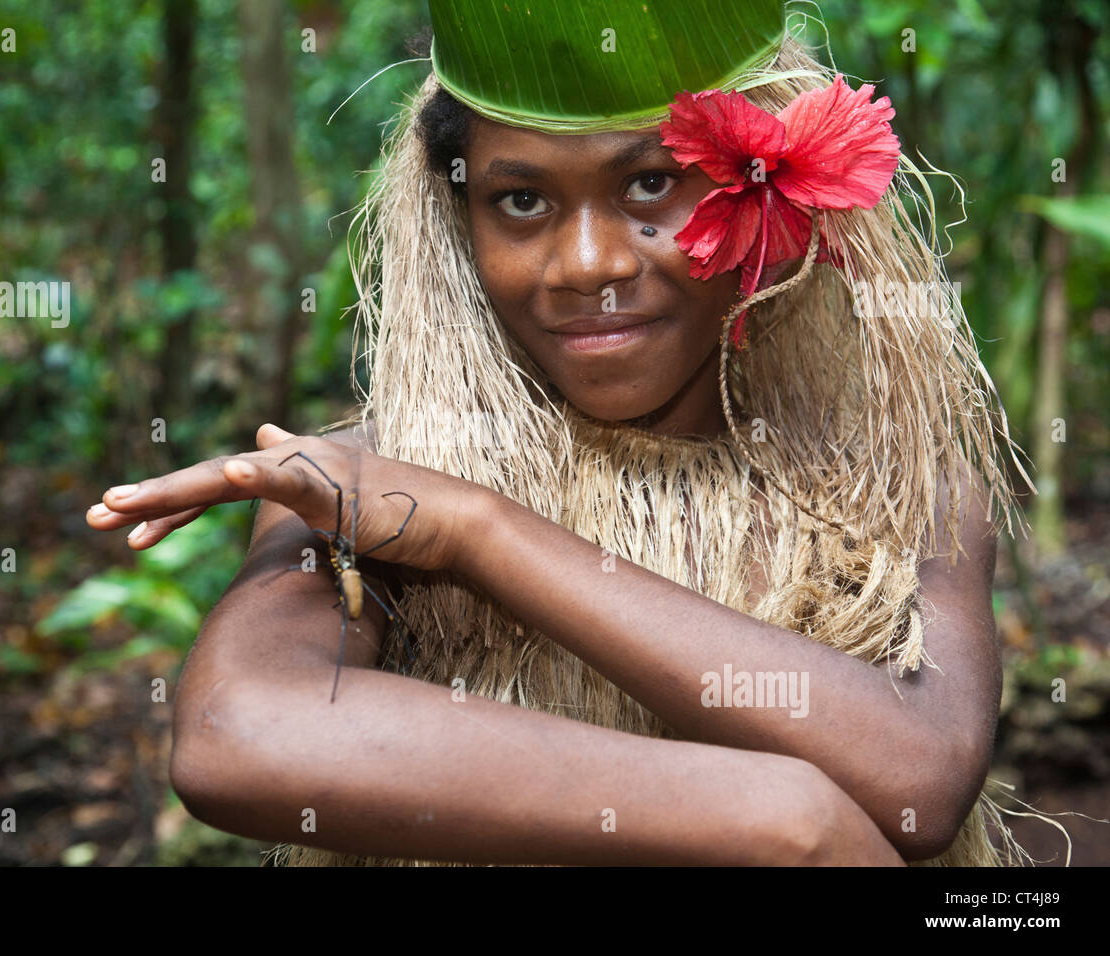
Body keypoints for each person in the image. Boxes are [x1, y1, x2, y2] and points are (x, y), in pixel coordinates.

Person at [87, 0, 1049, 865]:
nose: (584, 264)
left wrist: (478, 532)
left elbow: (919, 780)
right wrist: (774, 813)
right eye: (522, 201)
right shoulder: (367, 481)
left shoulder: (896, 485)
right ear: (459, 218)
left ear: (774, 191)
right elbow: (238, 733)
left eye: (649, 185)